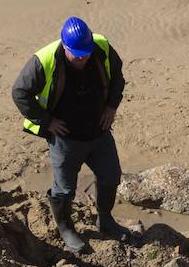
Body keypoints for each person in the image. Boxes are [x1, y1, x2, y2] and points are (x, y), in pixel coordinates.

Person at [12, 16, 128, 253]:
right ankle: (66, 228)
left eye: (86, 53)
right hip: (65, 138)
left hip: (99, 131)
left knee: (111, 176)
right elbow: (20, 92)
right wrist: (47, 121)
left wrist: (111, 106)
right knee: (64, 189)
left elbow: (117, 77)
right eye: (77, 55)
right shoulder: (44, 61)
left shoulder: (101, 48)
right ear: (65, 46)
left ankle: (105, 219)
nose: (83, 58)